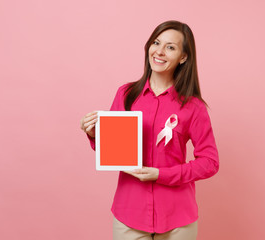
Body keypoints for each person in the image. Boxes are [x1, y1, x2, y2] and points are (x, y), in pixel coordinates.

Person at [80, 20, 219, 240]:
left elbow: (210, 163)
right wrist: (95, 134)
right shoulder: (126, 94)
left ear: (183, 57)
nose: (159, 52)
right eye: (156, 42)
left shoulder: (193, 107)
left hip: (177, 218)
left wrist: (161, 175)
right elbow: (114, 153)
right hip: (129, 214)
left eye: (170, 47)